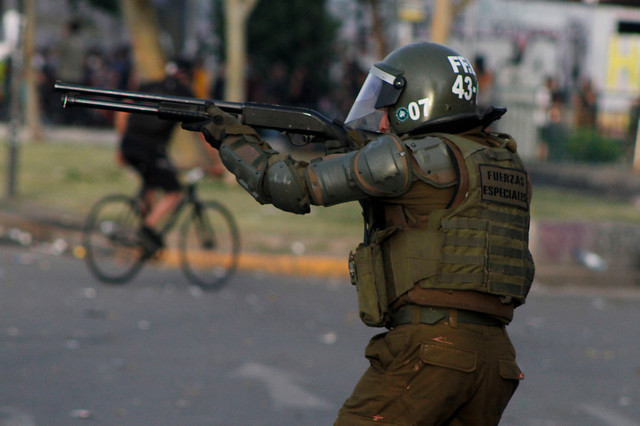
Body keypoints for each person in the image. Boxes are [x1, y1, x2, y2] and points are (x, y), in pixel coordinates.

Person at [183, 41, 534, 425]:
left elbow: (285, 184)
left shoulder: (407, 159)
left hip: (431, 351)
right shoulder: (501, 161)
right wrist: (348, 147)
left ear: (419, 100)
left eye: (389, 107)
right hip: (495, 361)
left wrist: (231, 138)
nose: (382, 121)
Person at [115, 59, 195, 256]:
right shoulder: (184, 93)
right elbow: (202, 131)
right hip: (151, 149)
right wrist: (215, 160)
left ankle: (144, 241)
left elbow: (124, 106)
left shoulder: (150, 85)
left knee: (151, 181)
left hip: (129, 145)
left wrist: (122, 139)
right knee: (174, 191)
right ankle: (146, 229)